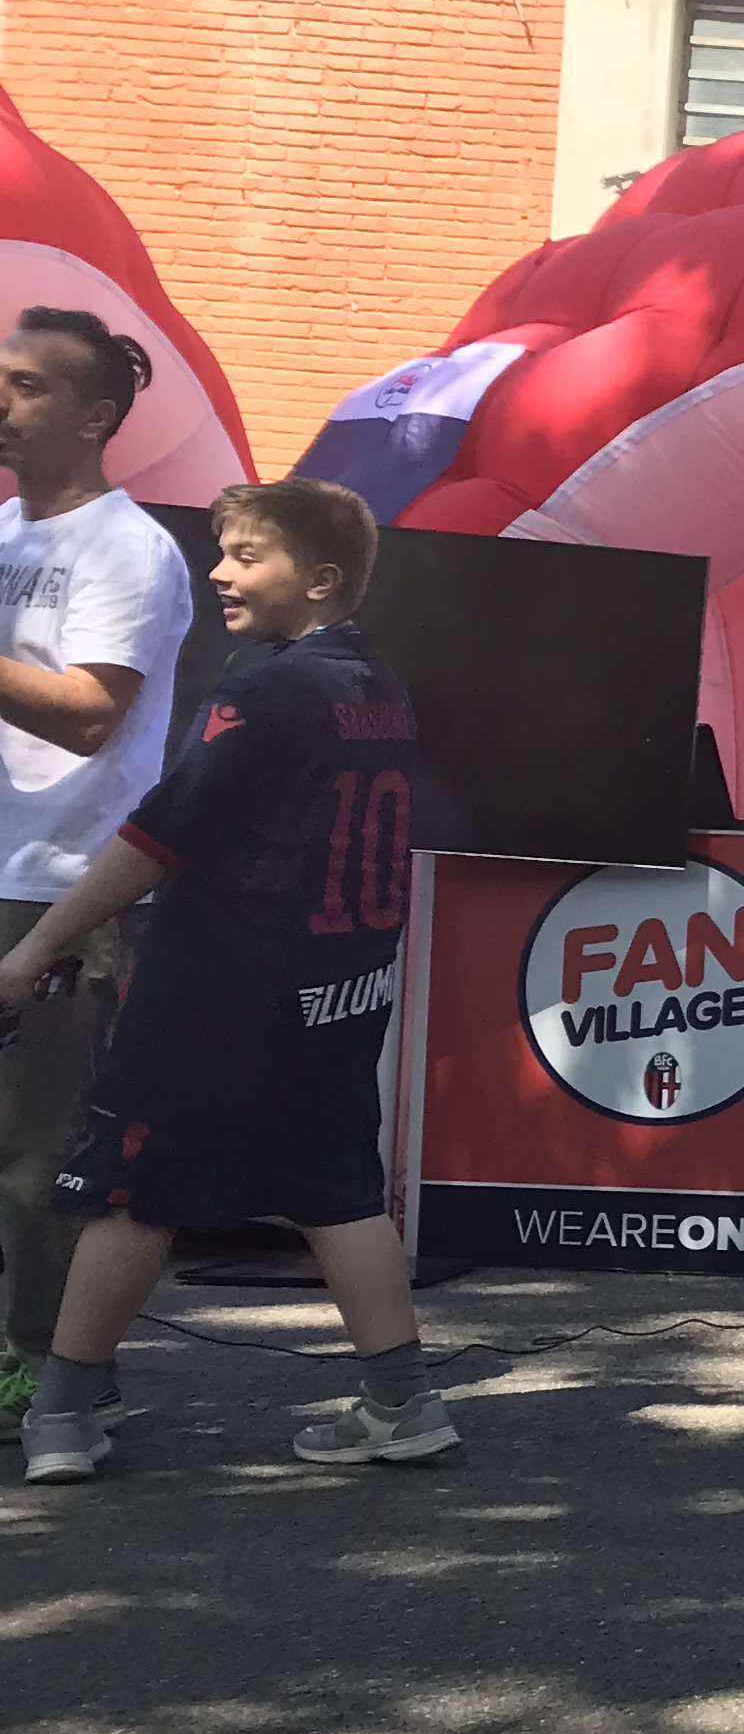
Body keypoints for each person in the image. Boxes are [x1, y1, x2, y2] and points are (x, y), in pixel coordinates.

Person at [1, 480, 447, 1481]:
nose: (219, 574)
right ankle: (403, 1400)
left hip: (221, 982)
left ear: (320, 579)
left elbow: (157, 835)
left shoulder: (265, 686)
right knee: (338, 1187)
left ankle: (63, 1415)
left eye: (248, 556)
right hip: (339, 982)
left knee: (130, 1184)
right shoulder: (378, 684)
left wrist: (38, 947)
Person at [0, 311, 195, 1429]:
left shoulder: (127, 548)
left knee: (40, 1153)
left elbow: (88, 716)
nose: (3, 400)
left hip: (63, 886)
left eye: (28, 385)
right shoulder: (5, 533)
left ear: (94, 417)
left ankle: (56, 1376)